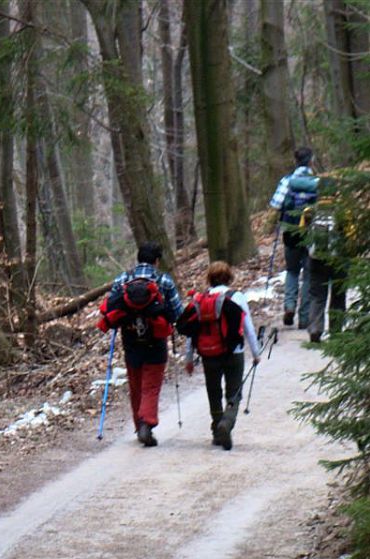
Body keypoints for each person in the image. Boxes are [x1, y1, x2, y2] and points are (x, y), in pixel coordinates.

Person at [98, 243, 184, 447]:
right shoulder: (164, 280)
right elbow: (177, 311)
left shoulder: (123, 278)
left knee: (136, 385)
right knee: (151, 386)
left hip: (130, 339)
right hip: (156, 339)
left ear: (138, 259)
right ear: (156, 261)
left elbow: (110, 307)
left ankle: (139, 427)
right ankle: (147, 423)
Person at [181, 261, 262, 450]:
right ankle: (227, 422)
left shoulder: (200, 300)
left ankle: (217, 430)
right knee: (234, 391)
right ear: (229, 278)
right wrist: (256, 353)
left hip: (209, 353)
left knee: (213, 391)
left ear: (209, 279)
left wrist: (189, 358)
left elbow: (192, 331)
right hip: (234, 352)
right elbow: (248, 327)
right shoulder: (237, 297)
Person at [269, 147, 318, 329]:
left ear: (296, 161)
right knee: (308, 274)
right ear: (311, 161)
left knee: (292, 270)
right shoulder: (317, 182)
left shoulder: (287, 181)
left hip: (290, 230)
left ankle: (289, 306)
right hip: (312, 232)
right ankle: (304, 317)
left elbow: (275, 204)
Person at [300, 178, 353, 343]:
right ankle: (336, 330)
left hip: (315, 260)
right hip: (338, 260)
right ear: (335, 192)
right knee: (338, 295)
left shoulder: (309, 211)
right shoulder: (343, 211)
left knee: (317, 295)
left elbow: (302, 232)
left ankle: (315, 329)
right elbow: (351, 234)